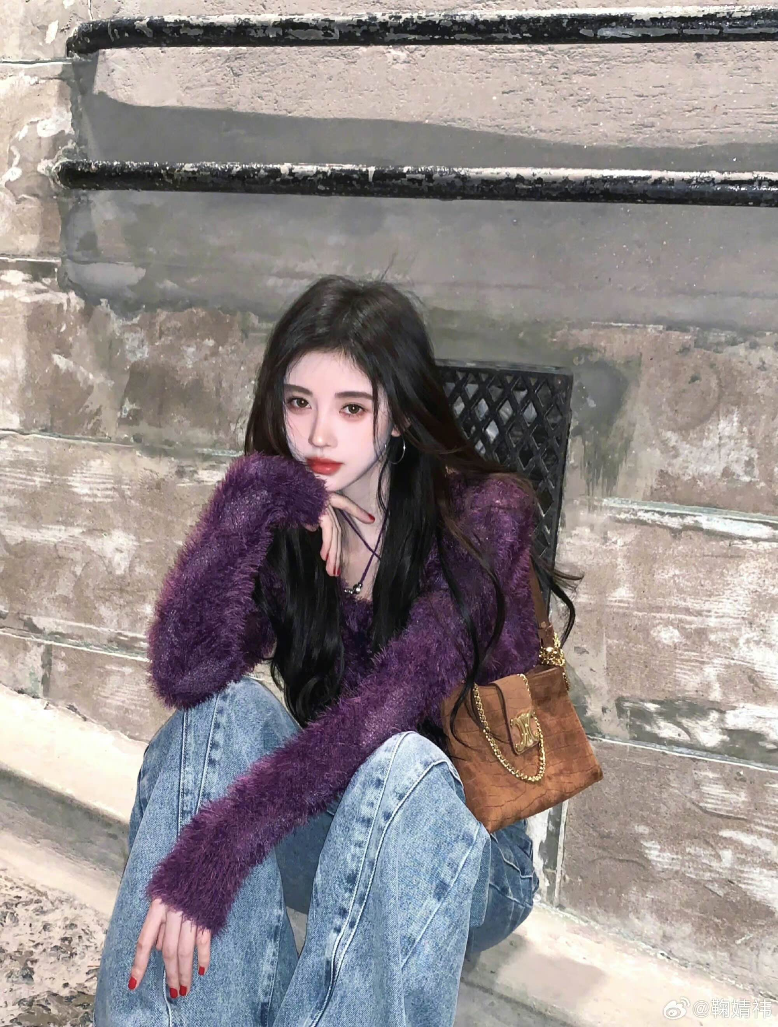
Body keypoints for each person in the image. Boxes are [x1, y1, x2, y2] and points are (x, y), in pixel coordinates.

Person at [93, 274, 577, 1026]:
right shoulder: (297, 517)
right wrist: (253, 498)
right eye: (298, 403)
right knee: (218, 715)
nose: (318, 435)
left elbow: (387, 713)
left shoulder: (485, 516)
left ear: (399, 415)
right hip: (333, 818)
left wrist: (217, 848)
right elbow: (184, 672)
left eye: (351, 408)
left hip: (466, 848)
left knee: (405, 764)